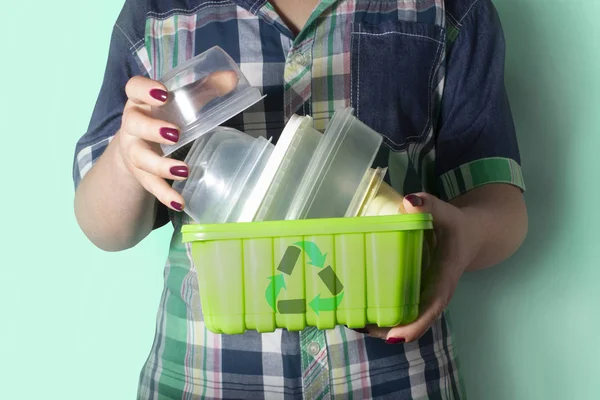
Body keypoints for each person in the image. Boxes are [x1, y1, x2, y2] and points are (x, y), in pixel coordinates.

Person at [72, 0, 528, 398]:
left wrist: (461, 238)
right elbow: (105, 227)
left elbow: (499, 202)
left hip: (394, 382)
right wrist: (128, 155)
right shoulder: (158, 12)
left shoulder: (447, 7)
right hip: (203, 380)